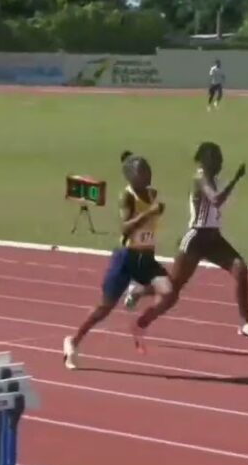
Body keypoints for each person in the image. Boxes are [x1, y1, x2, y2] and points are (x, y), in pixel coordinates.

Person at [123, 141, 248, 338]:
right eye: (217, 158)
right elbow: (216, 200)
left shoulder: (216, 180)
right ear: (206, 161)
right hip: (195, 239)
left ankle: (245, 324)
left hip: (213, 238)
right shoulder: (200, 177)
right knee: (171, 291)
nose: (221, 162)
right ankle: (139, 296)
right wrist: (236, 179)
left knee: (240, 268)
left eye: (220, 158)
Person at [63, 151, 175, 369]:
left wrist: (153, 212)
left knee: (169, 292)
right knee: (104, 308)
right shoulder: (127, 197)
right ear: (132, 176)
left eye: (148, 170)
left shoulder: (153, 194)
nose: (148, 174)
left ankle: (140, 322)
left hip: (147, 258)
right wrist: (150, 213)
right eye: (143, 172)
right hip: (126, 258)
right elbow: (124, 228)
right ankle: (73, 341)